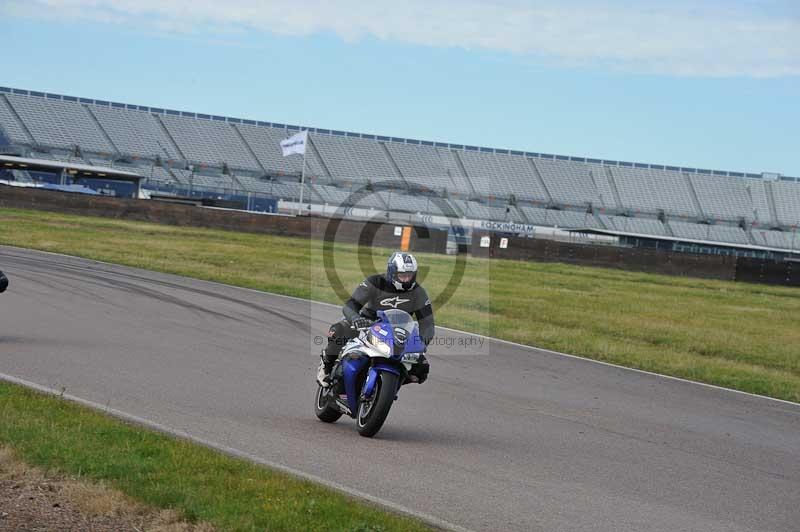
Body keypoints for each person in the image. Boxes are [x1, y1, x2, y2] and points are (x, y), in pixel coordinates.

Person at [317, 252, 433, 386]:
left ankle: (390, 385)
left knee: (422, 369)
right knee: (338, 330)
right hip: (367, 324)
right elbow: (350, 305)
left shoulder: (419, 292)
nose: (406, 279)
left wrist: (422, 345)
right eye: (402, 275)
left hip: (398, 333)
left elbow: (428, 324)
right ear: (392, 272)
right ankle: (326, 366)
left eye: (410, 275)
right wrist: (355, 318)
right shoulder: (375, 282)